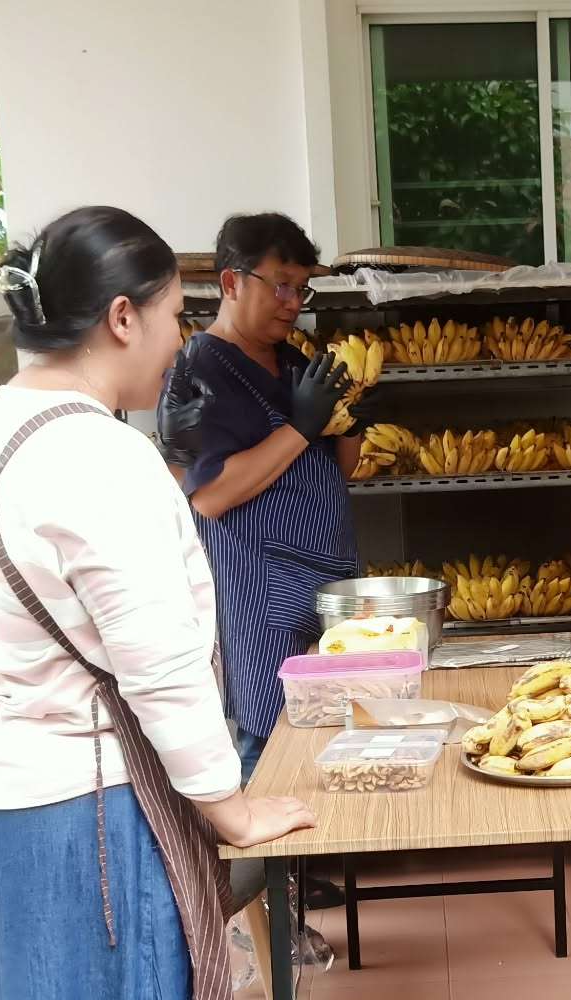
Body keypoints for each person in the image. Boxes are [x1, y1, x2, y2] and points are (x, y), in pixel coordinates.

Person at [0, 206, 316, 1000]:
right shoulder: (96, 455)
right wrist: (229, 808)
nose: (178, 340)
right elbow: (158, 667)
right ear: (122, 317)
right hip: (101, 809)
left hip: (20, 790)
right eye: (172, 316)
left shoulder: (1, 425)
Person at [156, 213, 372, 782]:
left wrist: (349, 425)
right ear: (231, 282)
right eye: (280, 284)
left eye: (302, 288)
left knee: (335, 732)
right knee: (270, 740)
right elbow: (207, 497)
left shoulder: (295, 362)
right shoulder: (200, 368)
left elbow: (338, 471)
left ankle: (324, 862)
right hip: (259, 589)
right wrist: (300, 427)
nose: (292, 301)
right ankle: (264, 870)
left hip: (330, 581)